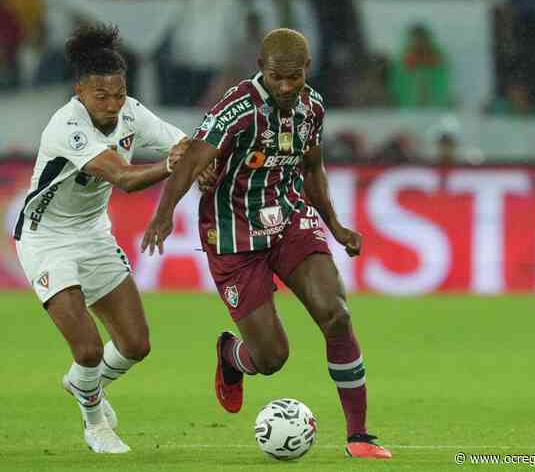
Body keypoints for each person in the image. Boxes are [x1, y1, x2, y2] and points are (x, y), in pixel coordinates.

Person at [141, 28, 392, 460]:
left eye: (294, 77)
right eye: (278, 77)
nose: (287, 86)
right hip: (234, 237)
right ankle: (231, 356)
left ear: (306, 71)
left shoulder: (312, 107)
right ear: (261, 69)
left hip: (289, 220)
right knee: (272, 357)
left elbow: (312, 169)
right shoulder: (236, 110)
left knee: (336, 315)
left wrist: (334, 225)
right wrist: (163, 215)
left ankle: (360, 435)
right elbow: (193, 162)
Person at [13, 23, 188, 454]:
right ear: (79, 92)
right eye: (101, 96)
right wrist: (173, 165)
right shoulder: (66, 126)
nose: (111, 105)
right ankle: (96, 426)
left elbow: (183, 142)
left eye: (118, 94)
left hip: (93, 234)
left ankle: (82, 386)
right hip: (47, 239)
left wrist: (197, 157)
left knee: (135, 344)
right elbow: (125, 178)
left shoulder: (131, 112)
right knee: (88, 348)